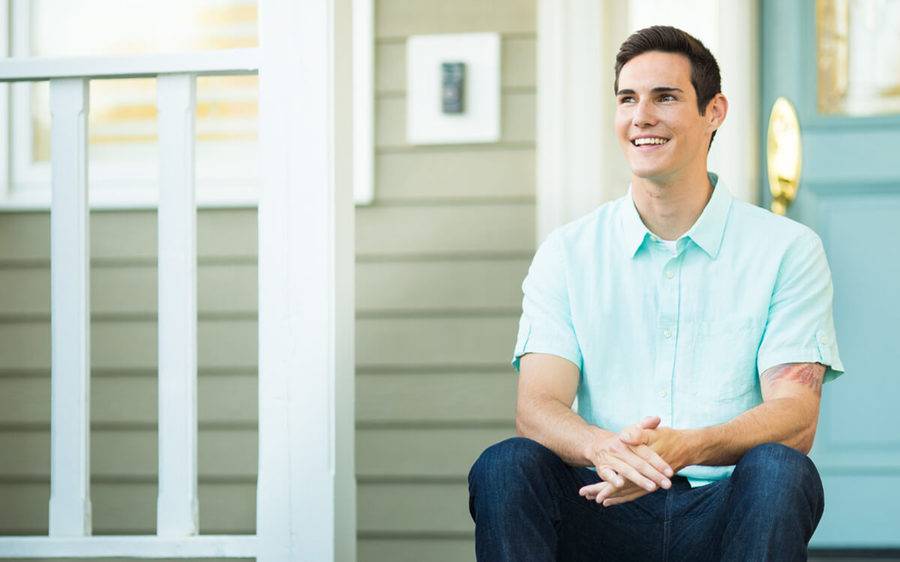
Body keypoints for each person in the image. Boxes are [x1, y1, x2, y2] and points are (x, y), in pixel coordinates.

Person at [467, 25, 844, 562]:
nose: (641, 116)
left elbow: (795, 415)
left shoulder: (787, 249)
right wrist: (608, 451)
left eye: (665, 97)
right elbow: (537, 406)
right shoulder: (567, 253)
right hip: (601, 500)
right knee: (505, 465)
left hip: (725, 508)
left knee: (781, 470)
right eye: (627, 99)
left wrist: (684, 447)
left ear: (714, 112)